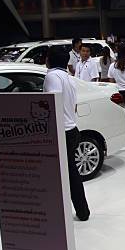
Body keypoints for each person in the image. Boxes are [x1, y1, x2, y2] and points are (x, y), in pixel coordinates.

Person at [43, 46, 90, 221]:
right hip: (71, 130)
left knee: (67, 175)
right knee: (71, 173)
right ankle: (81, 211)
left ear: (50, 59)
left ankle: (74, 212)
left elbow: (52, 104)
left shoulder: (52, 76)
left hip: (60, 132)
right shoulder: (68, 78)